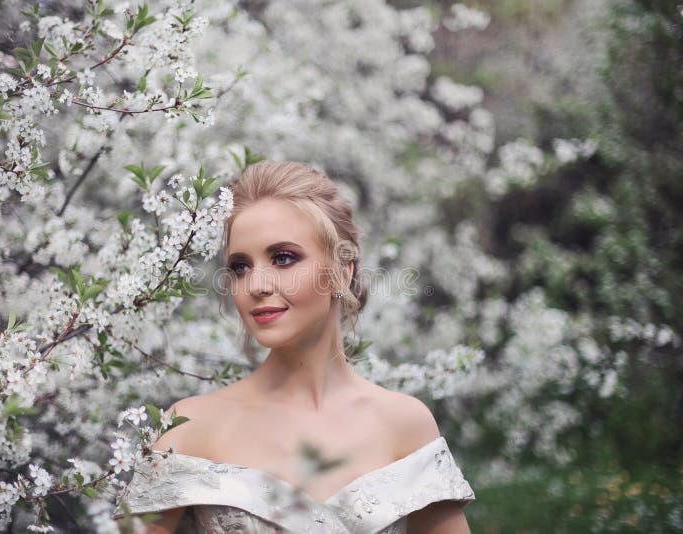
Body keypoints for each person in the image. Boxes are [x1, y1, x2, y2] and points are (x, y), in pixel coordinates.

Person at [115, 161, 474, 533]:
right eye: (240, 266)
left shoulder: (404, 424)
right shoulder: (191, 426)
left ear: (343, 270)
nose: (256, 284)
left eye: (283, 258)